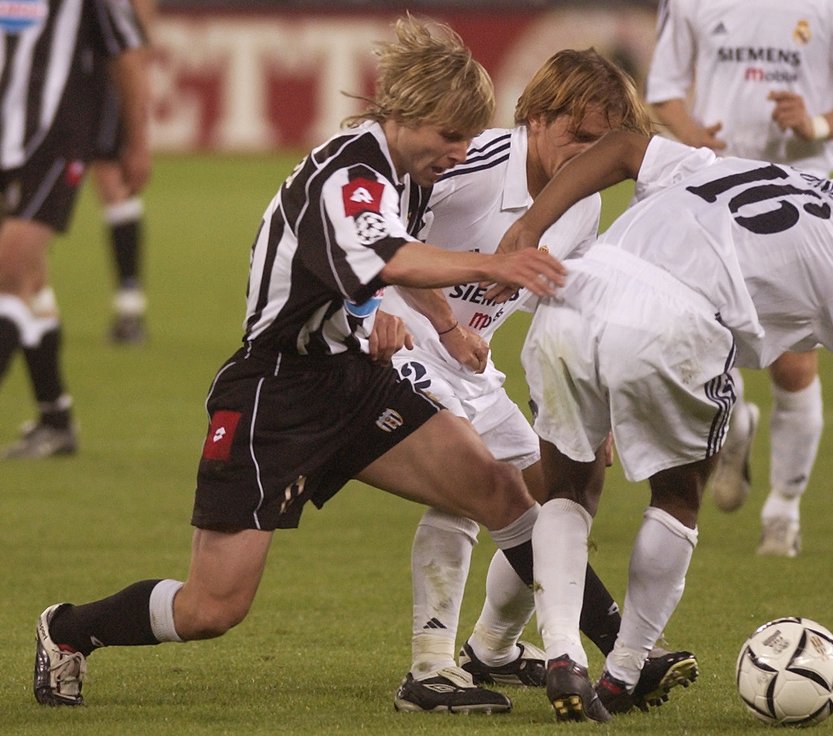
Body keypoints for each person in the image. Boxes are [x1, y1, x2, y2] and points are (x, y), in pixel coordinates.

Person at [31, 15, 567, 709]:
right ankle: (70, 630)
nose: (461, 151)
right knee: (212, 609)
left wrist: (425, 322)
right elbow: (380, 256)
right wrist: (494, 264)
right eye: (451, 135)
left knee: (498, 490)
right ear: (403, 114)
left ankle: (590, 655)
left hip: (350, 383)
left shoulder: (407, 169)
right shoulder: (352, 172)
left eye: (468, 136)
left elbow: (369, 268)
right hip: (274, 393)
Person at [494, 131, 833, 722]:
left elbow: (622, 148)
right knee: (677, 496)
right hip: (671, 325)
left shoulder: (748, 168)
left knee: (567, 487)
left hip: (573, 294)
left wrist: (529, 227)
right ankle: (621, 674)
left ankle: (564, 653)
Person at [374, 48, 697, 714]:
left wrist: (591, 406)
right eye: (578, 137)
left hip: (470, 358)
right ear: (539, 118)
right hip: (398, 336)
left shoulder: (582, 206)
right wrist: (441, 322)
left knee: (548, 489)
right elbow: (381, 246)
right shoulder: (473, 166)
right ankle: (430, 667)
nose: (587, 158)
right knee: (469, 482)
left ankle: (491, 647)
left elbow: (571, 308)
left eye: (602, 146)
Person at [645, 0, 833, 556]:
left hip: (800, 189)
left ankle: (783, 511)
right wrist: (695, 135)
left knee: (793, 363)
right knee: (689, 333)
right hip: (713, 185)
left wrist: (816, 123)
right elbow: (665, 86)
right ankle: (732, 418)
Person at [0, 0, 151, 460]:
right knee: (31, 282)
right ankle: (56, 419)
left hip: (54, 141)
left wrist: (137, 141)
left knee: (6, 277)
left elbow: (127, 53)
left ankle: (130, 301)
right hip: (4, 143)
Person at [92, 0, 157, 345]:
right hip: (41, 73)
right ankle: (28, 307)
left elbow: (140, 16)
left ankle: (129, 304)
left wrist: (137, 63)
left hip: (99, 66)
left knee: (112, 180)